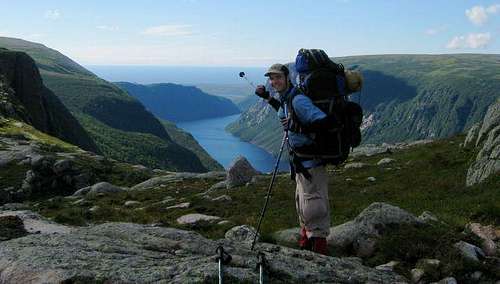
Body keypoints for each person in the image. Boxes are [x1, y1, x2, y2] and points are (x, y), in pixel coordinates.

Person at [255, 63, 332, 255]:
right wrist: (267, 97)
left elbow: (326, 123)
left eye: (278, 77)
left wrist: (297, 127)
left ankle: (319, 254)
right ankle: (305, 244)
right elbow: (283, 109)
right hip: (300, 163)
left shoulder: (298, 100)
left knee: (314, 207)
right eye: (272, 78)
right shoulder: (287, 98)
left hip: (311, 162)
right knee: (302, 204)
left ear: (288, 77)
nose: (274, 82)